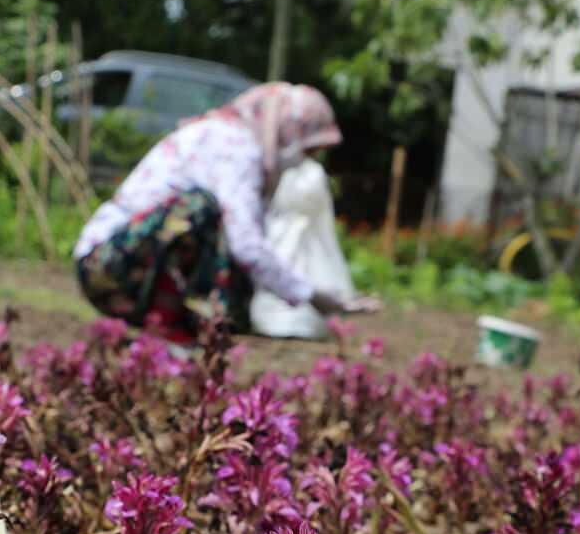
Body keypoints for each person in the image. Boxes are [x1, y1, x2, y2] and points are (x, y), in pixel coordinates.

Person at [73, 82, 374, 344]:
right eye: (308, 149)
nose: (305, 160)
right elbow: (247, 244)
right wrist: (313, 296)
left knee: (234, 288)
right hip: (106, 263)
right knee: (198, 208)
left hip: (126, 267)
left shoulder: (235, 141)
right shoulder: (235, 146)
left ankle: (178, 325)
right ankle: (169, 327)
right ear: (288, 129)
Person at [250, 155, 357, 340]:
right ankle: (278, 320)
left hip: (296, 228)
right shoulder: (300, 170)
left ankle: (303, 321)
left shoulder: (303, 170)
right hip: (288, 228)